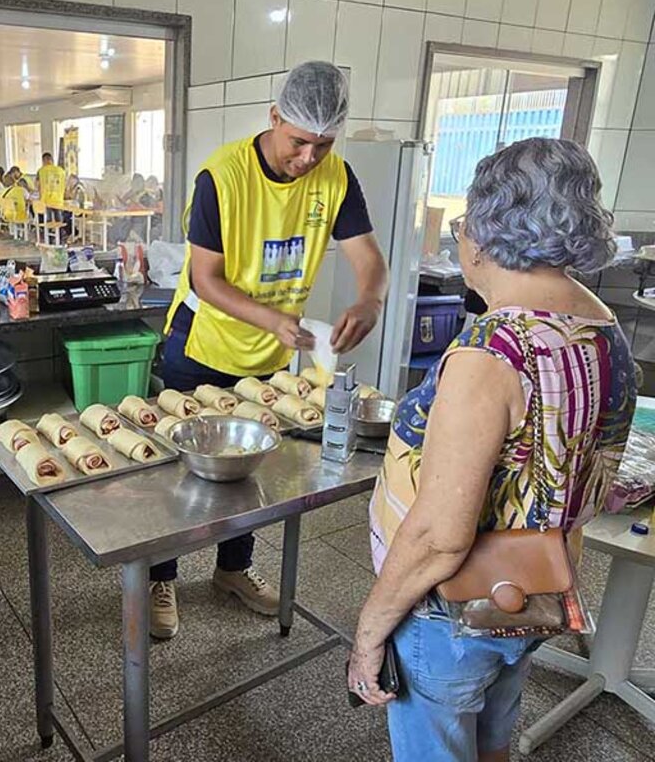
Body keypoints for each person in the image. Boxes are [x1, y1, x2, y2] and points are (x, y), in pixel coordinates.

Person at [348, 138, 638, 761]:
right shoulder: (601, 327)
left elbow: (440, 537)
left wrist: (369, 633)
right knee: (491, 741)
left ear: (484, 232)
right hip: (534, 592)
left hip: (449, 611)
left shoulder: (494, 353)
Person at [155, 61, 388, 639]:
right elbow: (205, 278)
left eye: (323, 144)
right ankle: (159, 575)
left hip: (266, 357)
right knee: (181, 468)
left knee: (250, 465)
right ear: (274, 117)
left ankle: (233, 569)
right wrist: (275, 320)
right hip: (201, 346)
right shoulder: (222, 176)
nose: (309, 158)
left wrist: (370, 301)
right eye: (298, 142)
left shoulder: (336, 177)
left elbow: (369, 259)